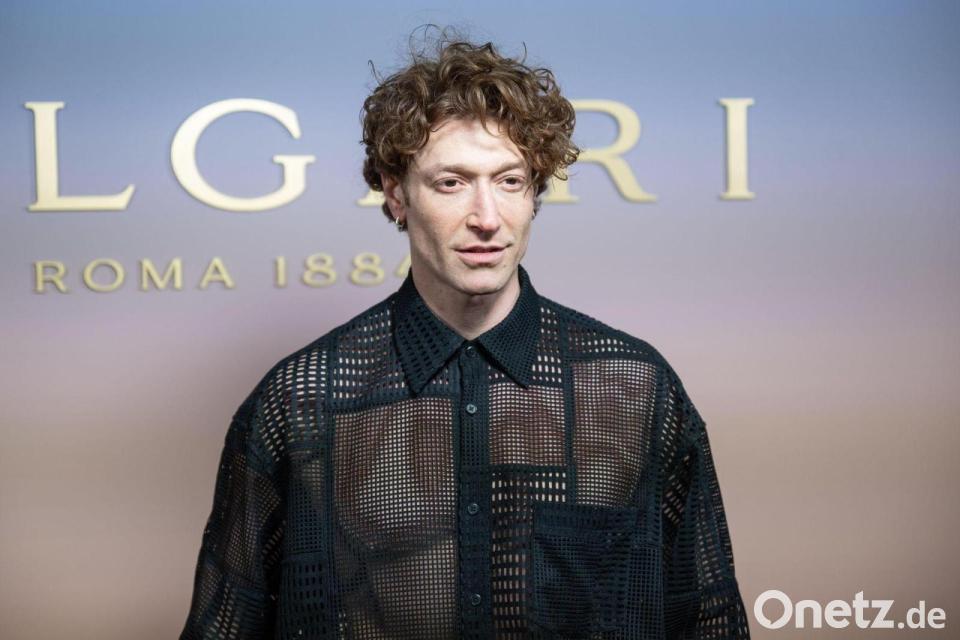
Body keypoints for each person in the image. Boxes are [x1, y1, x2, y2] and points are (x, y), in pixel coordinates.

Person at [179, 33, 751, 640]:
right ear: (396, 194)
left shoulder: (634, 386)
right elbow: (225, 625)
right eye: (452, 182)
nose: (487, 218)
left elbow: (708, 619)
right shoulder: (303, 398)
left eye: (509, 181)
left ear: (534, 193)